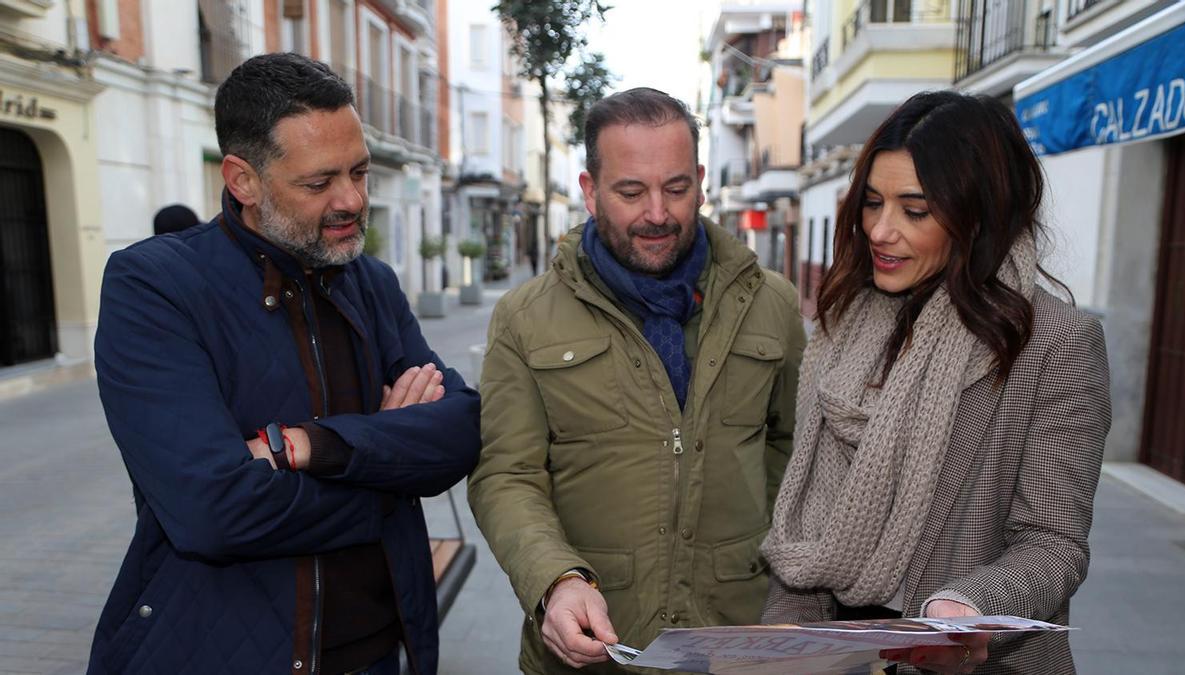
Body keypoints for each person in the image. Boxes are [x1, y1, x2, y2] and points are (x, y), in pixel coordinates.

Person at [87, 53, 480, 675]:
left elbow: (460, 429)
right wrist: (389, 482)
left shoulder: (370, 282)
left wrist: (307, 447)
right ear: (243, 180)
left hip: (381, 653)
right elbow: (211, 513)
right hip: (220, 652)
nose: (351, 199)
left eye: (359, 171)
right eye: (319, 183)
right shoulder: (155, 286)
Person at [758, 90, 1111, 674]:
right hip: (831, 656)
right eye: (872, 203)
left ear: (981, 215)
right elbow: (806, 541)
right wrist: (778, 652)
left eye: (915, 210)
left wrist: (967, 610)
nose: (880, 230)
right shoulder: (847, 326)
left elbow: (1054, 543)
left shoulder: (1055, 343)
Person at [468, 87, 807, 673]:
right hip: (594, 649)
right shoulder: (524, 318)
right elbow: (507, 474)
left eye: (676, 188)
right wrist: (556, 579)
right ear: (591, 191)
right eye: (631, 192)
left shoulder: (772, 303)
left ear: (700, 181)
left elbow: (796, 448)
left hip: (739, 644)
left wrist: (765, 556)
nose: (657, 213)